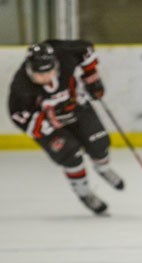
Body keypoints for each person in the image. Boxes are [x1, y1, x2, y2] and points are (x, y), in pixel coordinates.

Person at [8, 40, 124, 215]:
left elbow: (86, 49)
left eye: (50, 72)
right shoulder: (21, 87)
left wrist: (92, 78)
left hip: (77, 108)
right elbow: (18, 116)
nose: (47, 77)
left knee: (99, 142)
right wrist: (48, 123)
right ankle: (84, 193)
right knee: (71, 155)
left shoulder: (65, 55)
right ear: (30, 70)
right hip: (49, 124)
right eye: (41, 75)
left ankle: (103, 169)